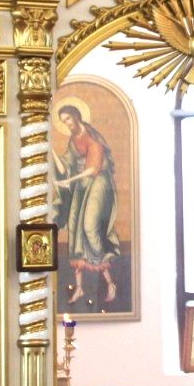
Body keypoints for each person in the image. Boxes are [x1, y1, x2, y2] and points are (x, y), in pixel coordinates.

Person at [52, 104, 120, 307]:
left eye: (68, 119)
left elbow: (93, 168)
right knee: (75, 228)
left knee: (90, 226)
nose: (67, 124)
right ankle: (79, 287)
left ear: (76, 116)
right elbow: (64, 167)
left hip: (98, 182)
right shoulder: (73, 141)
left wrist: (69, 181)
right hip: (81, 183)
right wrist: (51, 150)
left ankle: (110, 282)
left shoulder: (93, 137)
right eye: (63, 121)